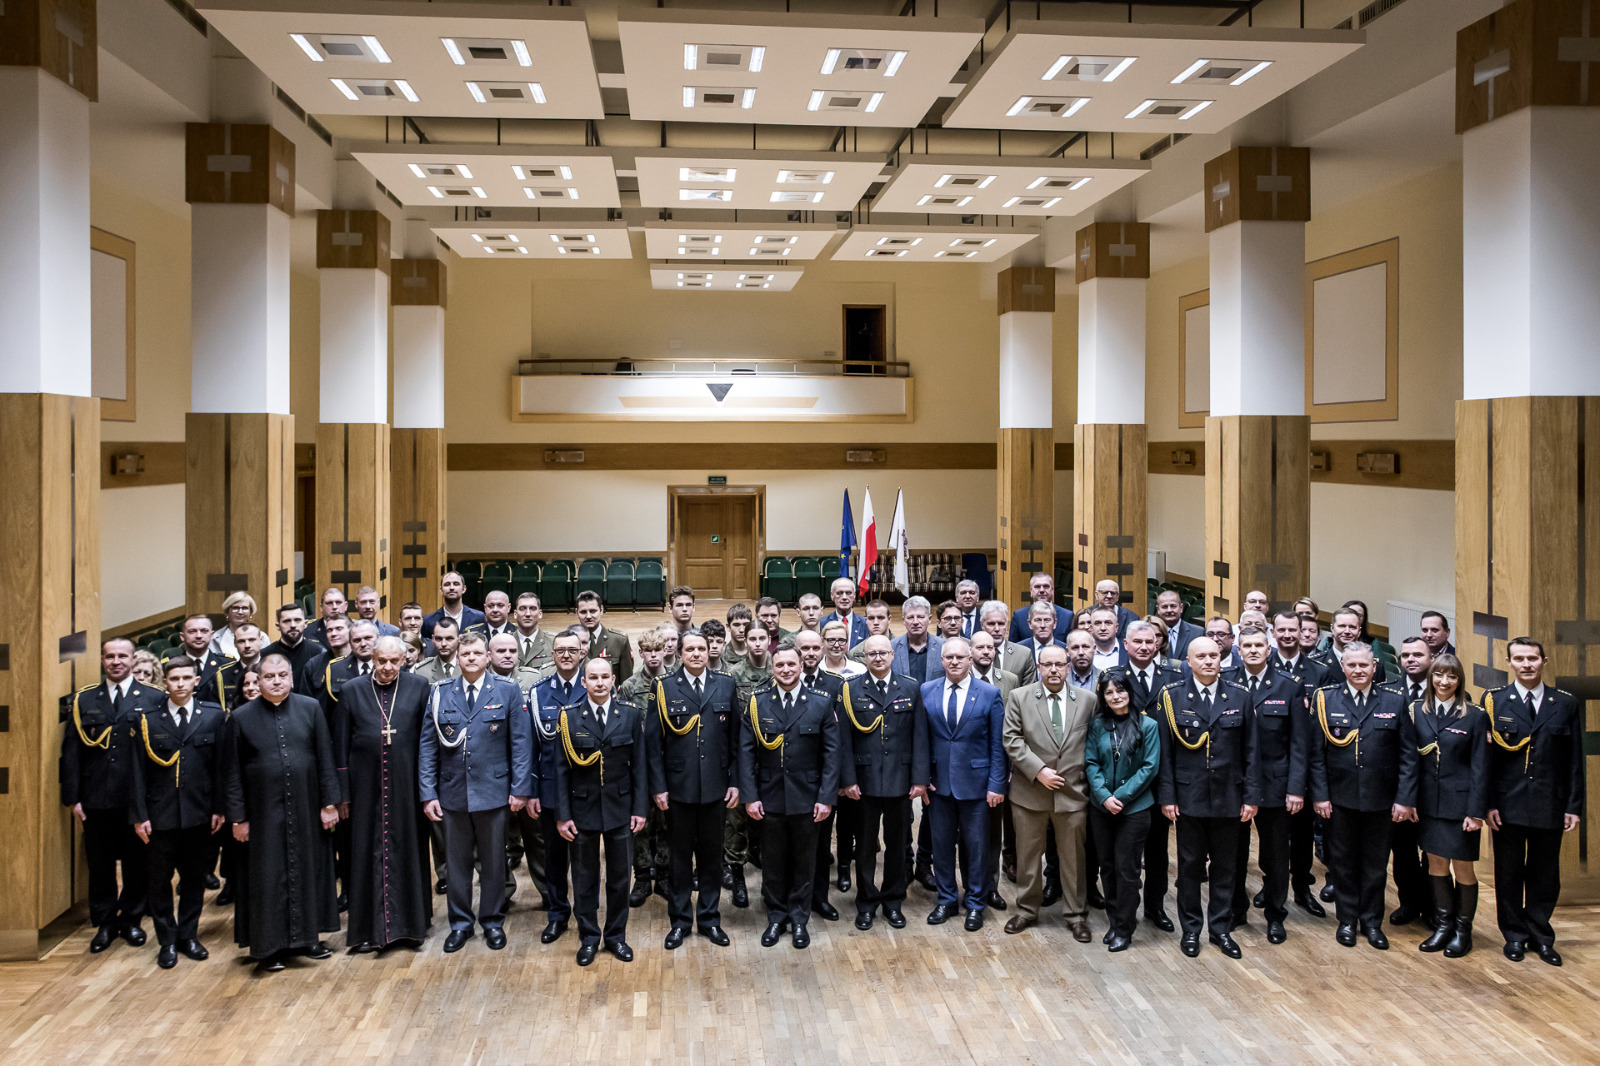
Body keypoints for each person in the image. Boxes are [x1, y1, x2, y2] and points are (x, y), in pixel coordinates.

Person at [224, 654, 342, 973]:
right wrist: (238, 818)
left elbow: (325, 757)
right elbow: (232, 773)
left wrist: (329, 804)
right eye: (269, 676)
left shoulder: (310, 708)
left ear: (291, 677)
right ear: (259, 680)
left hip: (307, 807)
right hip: (262, 814)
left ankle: (308, 939)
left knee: (310, 871)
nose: (276, 681)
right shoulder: (240, 718)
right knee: (267, 877)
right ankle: (269, 946)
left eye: (282, 675)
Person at [419, 632, 534, 954]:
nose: (471, 658)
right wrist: (428, 792)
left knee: (494, 861)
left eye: (477, 653)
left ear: (487, 657)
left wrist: (520, 789)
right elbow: (428, 746)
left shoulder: (506, 690)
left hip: (494, 791)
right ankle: (460, 923)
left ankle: (492, 921)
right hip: (452, 792)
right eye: (465, 654)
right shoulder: (440, 692)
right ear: (457, 658)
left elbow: (520, 743)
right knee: (457, 864)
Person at [1303, 642, 1417, 950]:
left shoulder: (1394, 700)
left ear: (1374, 667)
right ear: (1343, 667)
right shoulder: (1325, 699)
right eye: (1351, 665)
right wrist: (1320, 795)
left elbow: (1408, 756)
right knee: (1342, 863)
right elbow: (1316, 755)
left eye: (1363, 665)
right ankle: (1347, 920)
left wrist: (1404, 799)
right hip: (1338, 800)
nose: (1358, 670)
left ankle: (1371, 922)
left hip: (1381, 800)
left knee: (1376, 865)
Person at [1484, 637, 1585, 966]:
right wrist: (1488, 803)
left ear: (1544, 661)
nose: (1526, 664)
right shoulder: (1495, 701)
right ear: (1509, 662)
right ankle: (1514, 935)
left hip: (1549, 803)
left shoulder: (1565, 703)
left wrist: (1573, 806)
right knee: (1508, 873)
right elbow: (1487, 761)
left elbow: (1574, 760)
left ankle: (1541, 936)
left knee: (1545, 875)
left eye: (1532, 658)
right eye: (1519, 659)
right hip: (1507, 804)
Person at [62, 638, 165, 953]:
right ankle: (105, 923)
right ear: (102, 660)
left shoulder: (154, 697)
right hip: (97, 797)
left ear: (134, 659)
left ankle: (131, 919)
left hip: (138, 798)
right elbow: (72, 751)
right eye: (110, 656)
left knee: (137, 862)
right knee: (100, 864)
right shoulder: (84, 699)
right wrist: (73, 797)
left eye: (122, 656)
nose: (116, 661)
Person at [1158, 637, 1258, 959]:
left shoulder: (1240, 696)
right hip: (1190, 797)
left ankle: (1220, 929)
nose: (1208, 661)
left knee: (1226, 867)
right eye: (1201, 656)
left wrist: (1251, 797)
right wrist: (1168, 797)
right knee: (1189, 867)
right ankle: (1191, 929)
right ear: (1188, 661)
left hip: (1230, 797)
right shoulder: (1172, 697)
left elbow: (1251, 751)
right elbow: (1166, 754)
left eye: (1213, 655)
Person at [334, 636, 432, 953]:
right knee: (364, 853)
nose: (388, 667)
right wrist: (343, 794)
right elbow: (341, 744)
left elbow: (427, 740)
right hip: (364, 789)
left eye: (394, 661)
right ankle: (367, 929)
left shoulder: (419, 687)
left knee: (410, 850)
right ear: (372, 659)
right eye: (381, 660)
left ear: (404, 660)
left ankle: (412, 927)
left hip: (407, 787)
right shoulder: (352, 690)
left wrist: (428, 789)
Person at [739, 646, 842, 949]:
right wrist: (750, 796)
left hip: (808, 799)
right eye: (780, 665)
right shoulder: (758, 703)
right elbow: (746, 753)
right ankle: (775, 918)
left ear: (801, 666)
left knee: (804, 862)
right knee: (772, 862)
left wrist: (826, 798)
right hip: (768, 798)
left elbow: (831, 755)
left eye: (791, 664)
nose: (786, 670)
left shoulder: (820, 702)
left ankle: (799, 919)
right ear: (772, 668)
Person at [130, 656, 227, 968]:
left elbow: (220, 768)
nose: (181, 684)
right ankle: (167, 940)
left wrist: (219, 808)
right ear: (165, 683)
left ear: (196, 681)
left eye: (186, 678)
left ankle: (188, 936)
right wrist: (139, 815)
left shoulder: (212, 716)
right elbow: (137, 772)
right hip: (160, 815)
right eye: (174, 679)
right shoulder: (148, 719)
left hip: (199, 813)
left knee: (194, 880)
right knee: (159, 881)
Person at [645, 629, 739, 949]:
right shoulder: (664, 687)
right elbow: (653, 744)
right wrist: (658, 787)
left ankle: (710, 919)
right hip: (678, 789)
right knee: (679, 860)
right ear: (680, 653)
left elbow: (735, 739)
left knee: (712, 859)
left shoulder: (725, 684)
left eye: (701, 648)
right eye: (690, 649)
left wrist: (735, 782)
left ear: (709, 650)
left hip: (715, 788)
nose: (697, 653)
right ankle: (681, 921)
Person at [554, 659, 649, 966]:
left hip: (621, 809)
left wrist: (640, 809)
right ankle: (589, 938)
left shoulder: (630, 715)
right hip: (582, 810)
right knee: (584, 879)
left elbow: (639, 767)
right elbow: (560, 771)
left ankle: (616, 936)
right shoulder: (569, 717)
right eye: (592, 677)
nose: (599, 682)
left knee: (620, 878)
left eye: (604, 677)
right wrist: (563, 815)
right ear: (583, 682)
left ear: (613, 680)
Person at [1002, 644, 1094, 941]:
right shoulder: (1020, 697)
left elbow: (1093, 743)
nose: (1054, 670)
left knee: (1074, 859)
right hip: (1030, 793)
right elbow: (1012, 739)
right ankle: (1027, 910)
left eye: (1059, 664)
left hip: (1073, 793)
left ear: (1068, 667)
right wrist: (1038, 770)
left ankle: (1076, 915)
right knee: (1028, 857)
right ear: (1039, 667)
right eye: (1047, 664)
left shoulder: (1087, 700)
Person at [841, 635, 929, 930]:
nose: (877, 658)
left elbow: (920, 736)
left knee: (898, 845)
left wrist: (919, 779)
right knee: (865, 847)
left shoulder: (910, 687)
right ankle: (866, 902)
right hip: (863, 782)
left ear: (892, 654)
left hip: (900, 781)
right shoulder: (850, 689)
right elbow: (843, 741)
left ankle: (893, 901)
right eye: (871, 654)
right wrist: (848, 779)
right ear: (863, 657)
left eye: (882, 653)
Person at [922, 637, 1006, 931]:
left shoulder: (989, 693)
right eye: (949, 657)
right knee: (942, 846)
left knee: (977, 848)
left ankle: (975, 904)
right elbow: (922, 740)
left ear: (971, 659)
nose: (954, 662)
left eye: (960, 657)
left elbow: (998, 745)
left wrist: (996, 784)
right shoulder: (927, 690)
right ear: (941, 661)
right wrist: (922, 778)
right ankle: (946, 899)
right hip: (938, 785)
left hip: (977, 786)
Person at [1232, 626, 1306, 943]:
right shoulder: (1227, 681)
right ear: (1238, 650)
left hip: (1275, 785)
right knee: (1234, 853)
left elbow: (1299, 744)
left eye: (1258, 645)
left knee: (1276, 856)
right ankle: (1236, 911)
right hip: (1235, 785)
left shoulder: (1289, 686)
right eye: (1247, 645)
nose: (1253, 650)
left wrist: (1296, 788)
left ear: (1269, 649)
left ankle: (1276, 915)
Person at [1412, 653, 1488, 957]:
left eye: (1451, 676)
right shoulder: (1417, 710)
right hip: (1428, 804)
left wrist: (1476, 812)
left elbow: (1481, 767)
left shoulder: (1475, 715)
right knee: (1436, 864)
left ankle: (1462, 930)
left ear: (1460, 680)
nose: (1444, 682)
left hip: (1461, 806)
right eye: (1439, 675)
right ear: (1431, 677)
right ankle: (1443, 926)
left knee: (1463, 868)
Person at [1084, 671, 1161, 951]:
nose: (1116, 696)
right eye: (1109, 692)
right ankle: (1115, 918)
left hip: (1134, 809)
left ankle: (1124, 928)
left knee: (1127, 870)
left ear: (1130, 692)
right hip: (1101, 808)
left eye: (1120, 690)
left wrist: (1121, 796)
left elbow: (1150, 767)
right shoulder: (1097, 724)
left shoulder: (1148, 725)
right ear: (1103, 697)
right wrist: (1104, 796)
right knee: (1107, 866)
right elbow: (1091, 763)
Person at [529, 630, 588, 943]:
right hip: (551, 789)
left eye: (572, 650)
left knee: (585, 860)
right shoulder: (539, 693)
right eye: (560, 650)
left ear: (581, 653)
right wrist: (532, 791)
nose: (566, 655)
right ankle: (557, 915)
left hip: (587, 789)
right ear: (552, 655)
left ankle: (586, 916)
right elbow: (530, 747)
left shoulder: (594, 686)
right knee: (554, 859)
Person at [618, 626, 673, 907]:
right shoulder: (630, 686)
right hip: (638, 765)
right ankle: (641, 877)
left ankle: (663, 875)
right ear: (640, 653)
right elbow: (623, 725)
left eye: (657, 650)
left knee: (666, 823)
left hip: (668, 764)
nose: (653, 656)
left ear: (665, 650)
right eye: (648, 651)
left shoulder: (674, 682)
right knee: (639, 822)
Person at [1386, 637, 1436, 926]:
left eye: (1418, 654)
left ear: (1431, 658)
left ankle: (1432, 908)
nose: (1411, 659)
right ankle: (1409, 903)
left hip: (1433, 787)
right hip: (1400, 787)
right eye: (1405, 655)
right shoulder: (1387, 691)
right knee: (1403, 852)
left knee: (1432, 853)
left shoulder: (1446, 690)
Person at [164, 615, 242, 710]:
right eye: (192, 631)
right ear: (182, 636)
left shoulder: (227, 663)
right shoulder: (169, 666)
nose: (199, 636)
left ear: (211, 635)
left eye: (204, 631)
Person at [575, 590, 635, 682]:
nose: (588, 616)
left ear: (601, 610)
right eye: (583, 612)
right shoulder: (569, 641)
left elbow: (626, 682)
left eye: (593, 611)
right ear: (577, 612)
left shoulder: (619, 641)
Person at [980, 601, 1038, 684]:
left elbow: (1029, 689)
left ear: (1007, 625)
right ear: (982, 625)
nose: (997, 629)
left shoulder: (1023, 655)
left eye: (1001, 624)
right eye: (991, 624)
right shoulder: (971, 654)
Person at [1008, 573, 1073, 644]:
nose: (1042, 590)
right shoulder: (1019, 616)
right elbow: (1012, 647)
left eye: (1046, 586)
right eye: (1037, 587)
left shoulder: (1067, 616)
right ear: (1031, 591)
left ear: (1052, 590)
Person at [892, 596, 946, 682]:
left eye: (920, 617)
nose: (915, 622)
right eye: (910, 617)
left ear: (929, 619)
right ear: (903, 620)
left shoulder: (944, 647)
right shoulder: (891, 647)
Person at [421, 572, 486, 640]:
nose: (451, 588)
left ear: (463, 589)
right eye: (447, 584)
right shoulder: (428, 621)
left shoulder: (479, 617)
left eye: (456, 584)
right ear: (441, 590)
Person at [299, 616, 350, 699]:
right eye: (329, 630)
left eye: (339, 629)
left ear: (351, 631)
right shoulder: (314, 665)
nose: (333, 634)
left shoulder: (360, 661)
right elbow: (305, 700)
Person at [821, 576, 871, 647]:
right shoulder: (822, 623)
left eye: (848, 593)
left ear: (854, 595)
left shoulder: (865, 624)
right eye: (839, 593)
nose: (844, 597)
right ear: (832, 595)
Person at [210, 591, 259, 658]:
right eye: (235, 608)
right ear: (227, 612)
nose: (240, 612)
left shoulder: (262, 638)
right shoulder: (214, 638)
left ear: (250, 613)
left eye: (244, 608)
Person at [513, 592, 554, 671]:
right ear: (515, 614)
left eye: (532, 608)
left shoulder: (553, 642)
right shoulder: (504, 643)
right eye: (522, 608)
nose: (528, 614)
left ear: (540, 614)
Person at [413, 618, 461, 683]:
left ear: (458, 639)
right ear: (433, 639)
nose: (443, 644)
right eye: (439, 639)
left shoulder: (469, 666)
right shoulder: (421, 671)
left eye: (449, 638)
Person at [1086, 606, 1124, 674]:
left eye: (1108, 623)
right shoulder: (1083, 652)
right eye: (1098, 623)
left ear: (1116, 628)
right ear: (1091, 628)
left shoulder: (1128, 651)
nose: (1103, 628)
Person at [720, 603, 753, 669]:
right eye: (736, 625)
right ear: (728, 627)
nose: (741, 630)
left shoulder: (757, 651)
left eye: (745, 625)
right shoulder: (721, 655)